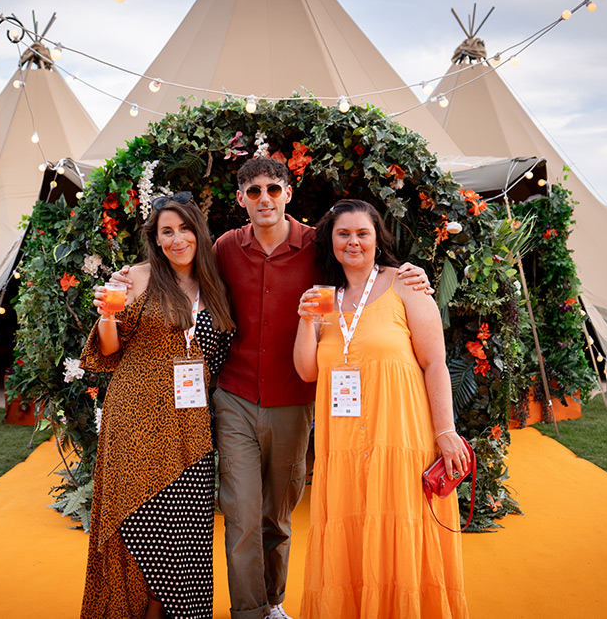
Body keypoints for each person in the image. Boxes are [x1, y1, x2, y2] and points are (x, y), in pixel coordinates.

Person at [110, 157, 432, 619]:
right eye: (254, 191)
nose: (265, 199)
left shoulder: (319, 245)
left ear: (288, 194)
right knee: (240, 513)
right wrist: (128, 276)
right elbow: (177, 264)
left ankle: (273, 602)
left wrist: (408, 272)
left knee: (276, 516)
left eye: (273, 189)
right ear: (241, 199)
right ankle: (248, 610)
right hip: (235, 396)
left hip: (294, 400)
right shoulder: (222, 247)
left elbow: (360, 269)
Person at [293, 199, 471, 618]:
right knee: (350, 529)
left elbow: (435, 363)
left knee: (400, 524)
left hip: (400, 436)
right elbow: (305, 371)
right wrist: (304, 322)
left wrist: (445, 430)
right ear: (331, 242)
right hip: (345, 445)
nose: (352, 242)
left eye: (362, 233)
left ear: (377, 239)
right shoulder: (323, 300)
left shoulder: (405, 284)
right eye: (343, 234)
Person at [79, 194, 235, 619]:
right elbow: (109, 350)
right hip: (136, 414)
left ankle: (172, 611)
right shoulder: (137, 279)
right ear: (156, 238)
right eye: (167, 231)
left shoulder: (218, 282)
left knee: (185, 528)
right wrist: (106, 315)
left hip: (190, 423)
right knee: (138, 518)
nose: (177, 238)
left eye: (184, 228)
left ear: (198, 233)